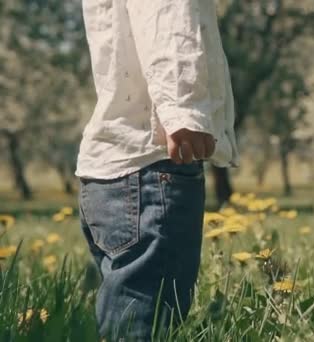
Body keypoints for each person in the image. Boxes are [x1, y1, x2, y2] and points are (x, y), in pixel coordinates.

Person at [75, 0, 239, 340]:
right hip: (150, 169)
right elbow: (167, 14)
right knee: (145, 325)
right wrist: (184, 110)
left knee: (127, 315)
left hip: (115, 171)